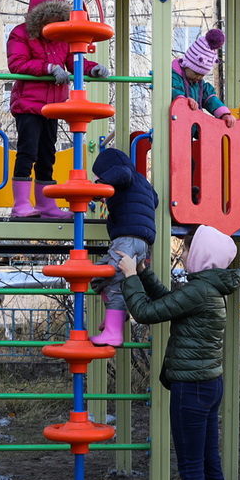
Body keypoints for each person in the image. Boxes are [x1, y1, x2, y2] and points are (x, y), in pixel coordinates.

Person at [116, 225, 239, 480]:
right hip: (209, 385)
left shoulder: (199, 292)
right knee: (210, 465)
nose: (182, 255)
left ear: (201, 256)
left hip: (192, 389)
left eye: (186, 250)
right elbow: (169, 300)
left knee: (191, 469)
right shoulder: (208, 288)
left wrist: (128, 277)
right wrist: (143, 273)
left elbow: (147, 313)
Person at [6, 0, 109, 219]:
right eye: (47, 21)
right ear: (37, 18)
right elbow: (18, 63)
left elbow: (74, 61)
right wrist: (49, 68)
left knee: (47, 155)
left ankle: (45, 205)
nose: (51, 26)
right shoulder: (21, 34)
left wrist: (91, 69)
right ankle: (21, 204)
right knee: (27, 152)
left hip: (52, 108)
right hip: (29, 105)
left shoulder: (61, 38)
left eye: (57, 21)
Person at [88, 146, 158, 347]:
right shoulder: (142, 181)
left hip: (126, 239)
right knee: (98, 277)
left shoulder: (125, 173)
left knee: (117, 283)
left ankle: (113, 332)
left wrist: (99, 185)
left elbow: (121, 173)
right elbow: (155, 199)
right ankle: (115, 317)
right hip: (140, 242)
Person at [172, 29, 237, 128]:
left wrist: (225, 114)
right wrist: (184, 101)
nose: (198, 77)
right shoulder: (174, 77)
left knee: (211, 131)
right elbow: (173, 91)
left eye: (202, 75)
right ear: (186, 64)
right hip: (175, 125)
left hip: (192, 126)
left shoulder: (199, 85)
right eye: (196, 73)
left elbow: (210, 98)